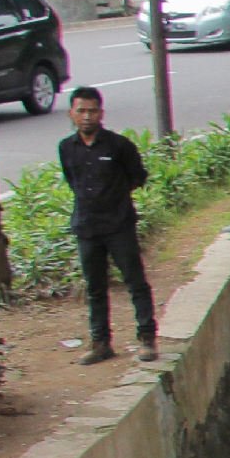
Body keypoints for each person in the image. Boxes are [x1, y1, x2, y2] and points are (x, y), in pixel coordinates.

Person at [58, 87, 155, 364]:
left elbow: (137, 176)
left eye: (92, 111)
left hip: (119, 226)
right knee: (95, 287)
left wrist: (115, 200)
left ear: (101, 113)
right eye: (81, 111)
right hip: (86, 228)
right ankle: (101, 343)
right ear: (71, 114)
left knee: (135, 282)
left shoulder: (119, 146)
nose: (87, 116)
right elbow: (72, 179)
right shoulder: (67, 148)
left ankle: (147, 338)